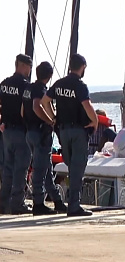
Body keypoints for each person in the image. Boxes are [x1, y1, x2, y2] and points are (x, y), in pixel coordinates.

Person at [42, 54, 98, 217]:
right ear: (82, 67)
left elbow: (45, 101)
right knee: (77, 168)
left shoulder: (59, 84)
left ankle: (72, 203)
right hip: (78, 131)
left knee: (70, 165)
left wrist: (52, 117)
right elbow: (87, 106)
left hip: (63, 131)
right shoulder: (80, 85)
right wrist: (95, 121)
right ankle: (74, 205)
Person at [22, 62, 68, 215]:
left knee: (46, 169)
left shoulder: (28, 88)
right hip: (41, 134)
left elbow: (23, 111)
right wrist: (50, 120)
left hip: (30, 132)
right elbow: (37, 106)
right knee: (40, 170)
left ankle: (57, 201)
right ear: (49, 76)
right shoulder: (40, 90)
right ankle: (39, 203)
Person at [0, 54, 33, 215]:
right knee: (21, 168)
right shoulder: (25, 86)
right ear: (23, 66)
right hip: (21, 130)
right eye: (29, 67)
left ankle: (4, 202)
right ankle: (18, 203)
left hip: (6, 131)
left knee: (7, 168)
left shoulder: (4, 84)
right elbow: (26, 108)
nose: (29, 71)